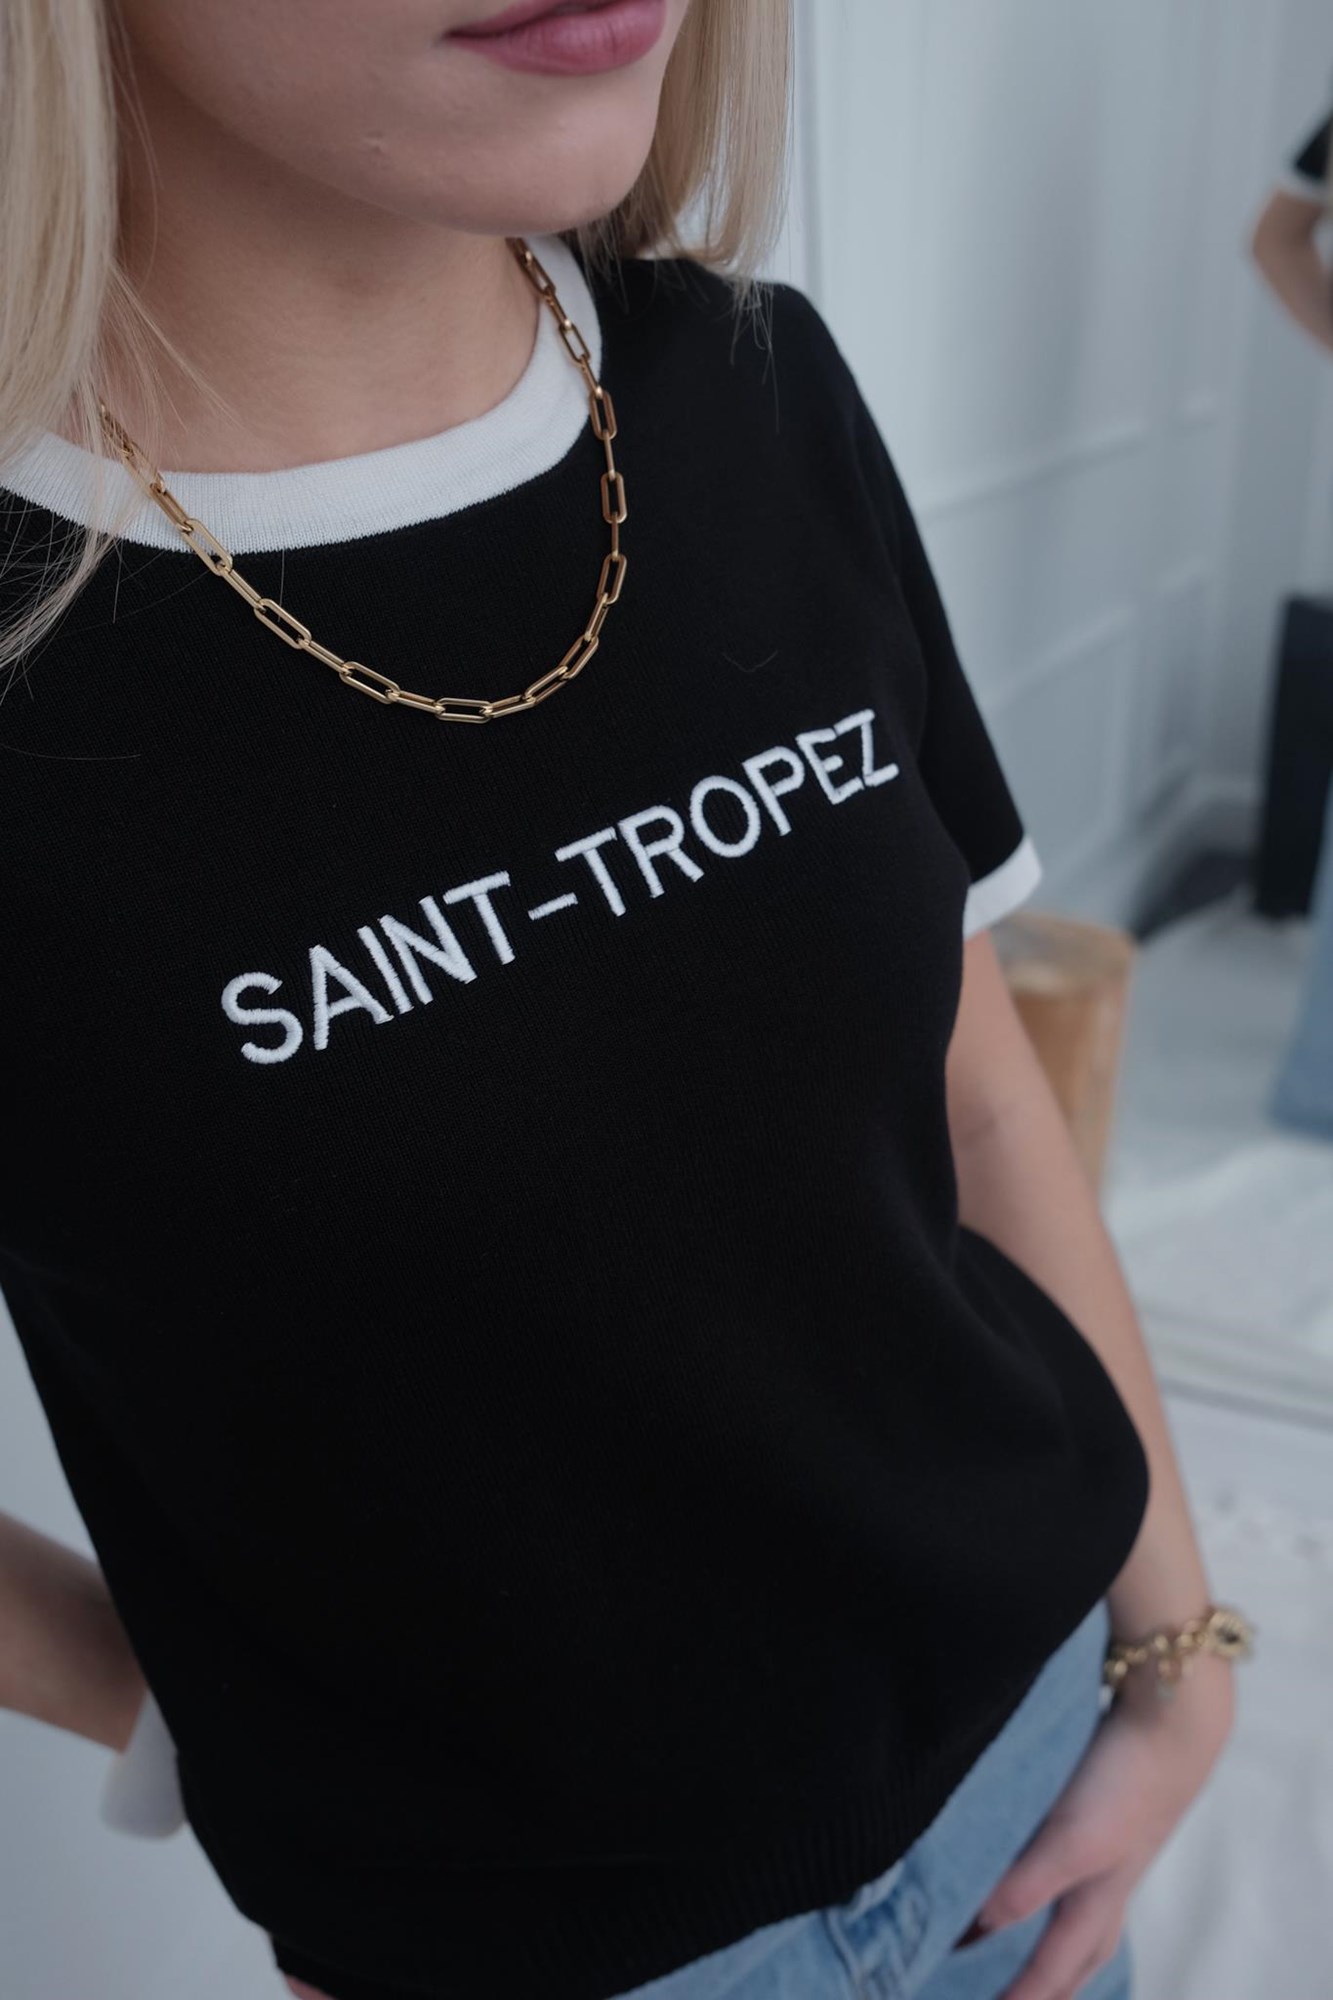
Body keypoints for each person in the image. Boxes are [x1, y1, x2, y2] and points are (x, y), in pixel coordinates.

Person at [0, 4, 1251, 1999]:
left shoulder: (750, 384)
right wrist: (207, 1717)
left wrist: (1173, 1646)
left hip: (1029, 1793)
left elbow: (974, 1086)